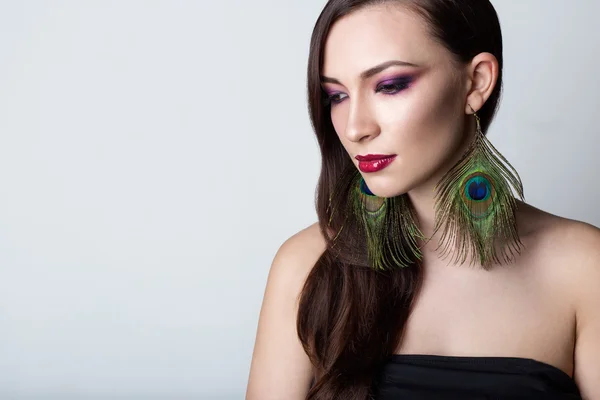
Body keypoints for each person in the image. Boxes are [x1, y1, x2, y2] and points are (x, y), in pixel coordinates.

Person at [246, 0, 600, 399]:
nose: (356, 128)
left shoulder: (584, 267)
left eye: (390, 85)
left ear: (477, 82)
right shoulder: (306, 264)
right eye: (336, 96)